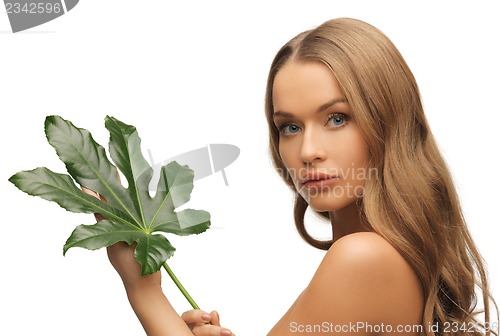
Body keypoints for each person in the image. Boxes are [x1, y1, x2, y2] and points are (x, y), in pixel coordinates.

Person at [84, 18, 498, 335]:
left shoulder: (363, 259)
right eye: (290, 127)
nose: (308, 151)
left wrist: (145, 292)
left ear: (388, 122)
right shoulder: (393, 256)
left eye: (337, 118)